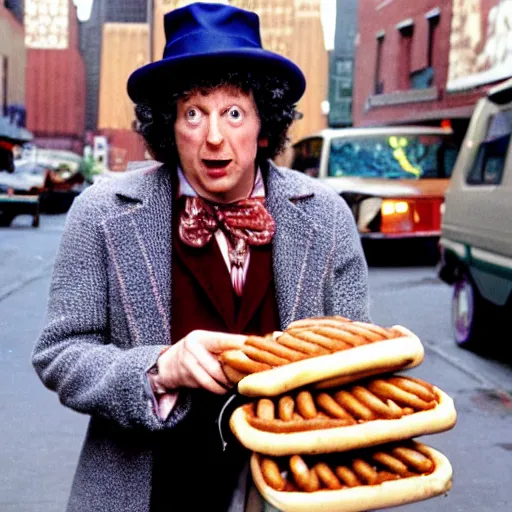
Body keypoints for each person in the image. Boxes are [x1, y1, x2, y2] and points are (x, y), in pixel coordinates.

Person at [31, 3, 370, 512]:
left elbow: (357, 363)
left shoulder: (327, 217)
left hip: (286, 493)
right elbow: (60, 355)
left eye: (234, 112)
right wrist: (159, 367)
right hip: (144, 493)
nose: (214, 136)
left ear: (263, 124)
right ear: (170, 124)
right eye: (194, 112)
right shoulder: (99, 213)